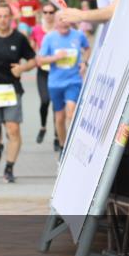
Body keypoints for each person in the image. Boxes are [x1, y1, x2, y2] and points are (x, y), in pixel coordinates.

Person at [0, 1, 38, 183]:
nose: (3, 20)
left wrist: (23, 68)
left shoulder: (19, 38)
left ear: (11, 18)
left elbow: (34, 60)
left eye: (6, 16)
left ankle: (9, 168)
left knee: (13, 129)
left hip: (11, 89)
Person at [39, 15, 91, 154]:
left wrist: (84, 62)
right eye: (60, 21)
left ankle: (74, 145)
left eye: (66, 21)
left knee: (71, 112)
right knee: (60, 117)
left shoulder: (78, 35)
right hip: (55, 83)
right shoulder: (49, 38)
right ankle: (63, 146)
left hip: (73, 81)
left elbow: (87, 48)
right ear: (55, 23)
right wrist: (56, 57)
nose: (63, 24)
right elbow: (40, 60)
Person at [31, 3, 59, 150]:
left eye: (51, 12)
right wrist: (34, 57)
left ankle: (56, 135)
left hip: (57, 71)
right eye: (45, 12)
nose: (48, 15)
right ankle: (43, 127)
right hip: (42, 71)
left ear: (55, 13)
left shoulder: (59, 29)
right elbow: (31, 47)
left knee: (56, 104)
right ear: (42, 14)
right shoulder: (36, 29)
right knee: (45, 101)